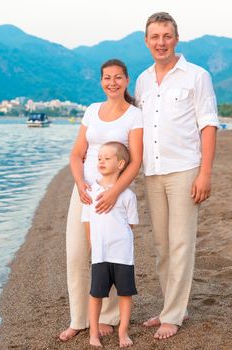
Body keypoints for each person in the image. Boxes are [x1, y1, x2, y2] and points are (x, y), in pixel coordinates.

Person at [134, 12, 219, 340]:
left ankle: (173, 315)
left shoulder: (197, 76)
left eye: (167, 36)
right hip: (153, 171)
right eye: (155, 37)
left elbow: (208, 124)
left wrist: (205, 173)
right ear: (146, 41)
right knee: (162, 245)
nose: (161, 42)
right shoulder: (142, 81)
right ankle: (171, 305)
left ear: (176, 39)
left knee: (181, 242)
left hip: (185, 170)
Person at [59, 59, 143, 341]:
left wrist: (116, 191)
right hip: (85, 193)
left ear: (127, 80)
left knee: (110, 252)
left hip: (114, 194)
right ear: (101, 81)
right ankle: (79, 319)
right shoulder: (92, 111)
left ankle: (108, 317)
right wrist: (80, 182)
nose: (112, 83)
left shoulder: (134, 115)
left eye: (118, 77)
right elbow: (76, 154)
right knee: (77, 253)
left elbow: (136, 160)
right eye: (107, 78)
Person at [82, 142, 138, 348]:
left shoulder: (127, 195)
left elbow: (130, 225)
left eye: (107, 158)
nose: (101, 161)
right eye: (99, 158)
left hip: (122, 254)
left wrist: (120, 242)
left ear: (121, 163)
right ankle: (94, 333)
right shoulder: (90, 192)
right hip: (100, 255)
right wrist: (93, 246)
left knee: (125, 293)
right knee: (96, 294)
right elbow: (87, 223)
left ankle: (123, 331)